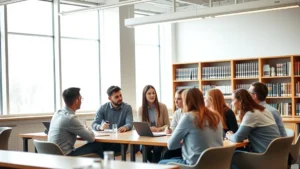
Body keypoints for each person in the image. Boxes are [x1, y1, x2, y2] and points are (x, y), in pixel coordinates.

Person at [159, 88, 223, 165]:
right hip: (218, 164)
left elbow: (171, 145)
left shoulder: (188, 117)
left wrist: (183, 142)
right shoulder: (216, 116)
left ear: (186, 101)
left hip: (196, 165)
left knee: (161, 163)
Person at [48, 87, 103, 157]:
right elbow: (91, 138)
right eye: (81, 98)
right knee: (98, 145)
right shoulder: (70, 118)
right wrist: (86, 127)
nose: (81, 101)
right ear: (77, 100)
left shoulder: (57, 113)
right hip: (65, 157)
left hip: (52, 157)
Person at [226, 89, 280, 153]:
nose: (231, 103)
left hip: (264, 156)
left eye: (232, 100)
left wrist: (229, 135)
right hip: (276, 154)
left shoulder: (251, 114)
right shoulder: (263, 110)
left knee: (231, 154)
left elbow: (238, 138)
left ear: (240, 101)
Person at [92, 85, 133, 154]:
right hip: (106, 140)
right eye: (116, 97)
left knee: (102, 150)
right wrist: (100, 127)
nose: (120, 98)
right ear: (109, 98)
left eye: (120, 95)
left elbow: (130, 123)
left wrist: (125, 127)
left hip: (120, 141)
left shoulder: (127, 108)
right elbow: (94, 124)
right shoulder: (103, 108)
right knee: (94, 145)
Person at [138, 85, 170, 163]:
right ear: (144, 95)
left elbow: (167, 125)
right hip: (148, 137)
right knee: (142, 149)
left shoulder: (163, 107)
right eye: (149, 93)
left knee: (157, 149)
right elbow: (141, 126)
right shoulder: (141, 109)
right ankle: (156, 164)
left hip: (161, 137)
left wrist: (158, 129)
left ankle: (155, 165)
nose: (152, 95)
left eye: (153, 93)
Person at [163, 89, 185, 159]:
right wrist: (169, 130)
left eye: (179, 99)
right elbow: (173, 129)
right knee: (166, 154)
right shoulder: (176, 113)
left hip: (184, 146)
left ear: (185, 100)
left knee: (166, 155)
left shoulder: (190, 115)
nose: (175, 101)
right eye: (175, 99)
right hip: (178, 143)